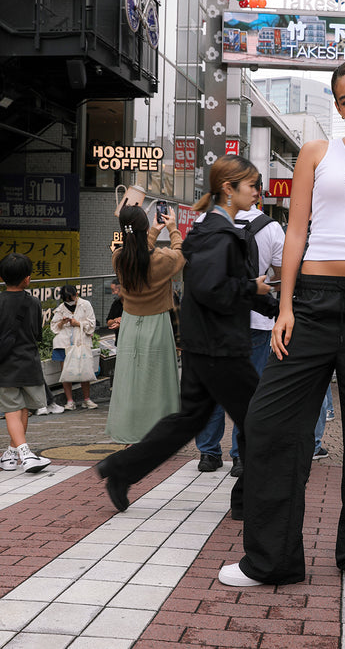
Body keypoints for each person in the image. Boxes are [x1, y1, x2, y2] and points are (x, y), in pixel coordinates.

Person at [218, 58, 345, 588]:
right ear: (338, 107)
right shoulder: (316, 154)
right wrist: (286, 305)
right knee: (268, 424)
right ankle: (271, 561)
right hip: (311, 302)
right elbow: (295, 234)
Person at [96, 155, 277, 517]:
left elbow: (210, 286)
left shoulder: (212, 229)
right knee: (262, 423)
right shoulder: (218, 233)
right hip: (219, 348)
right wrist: (253, 290)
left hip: (206, 343)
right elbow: (212, 289)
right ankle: (248, 501)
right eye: (253, 185)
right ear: (229, 189)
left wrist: (270, 305)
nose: (259, 191)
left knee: (189, 420)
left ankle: (120, 470)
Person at [195, 196, 285, 477]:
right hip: (256, 320)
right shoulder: (271, 228)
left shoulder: (203, 222)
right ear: (258, 193)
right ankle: (241, 457)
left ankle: (208, 454)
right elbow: (280, 278)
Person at [105, 204, 185, 444]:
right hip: (157, 323)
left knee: (129, 380)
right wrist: (172, 229)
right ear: (145, 227)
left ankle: (128, 430)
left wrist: (151, 233)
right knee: (158, 381)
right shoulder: (162, 259)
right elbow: (180, 255)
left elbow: (137, 254)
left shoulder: (118, 258)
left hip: (129, 324)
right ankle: (160, 433)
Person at [0, 253, 51, 472]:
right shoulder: (34, 303)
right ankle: (21, 455)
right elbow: (37, 333)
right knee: (23, 410)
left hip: (5, 364)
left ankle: (16, 453)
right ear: (27, 279)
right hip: (29, 362)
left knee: (12, 410)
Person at [50, 284, 98, 411]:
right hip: (63, 343)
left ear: (76, 294)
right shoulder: (60, 308)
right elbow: (54, 327)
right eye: (66, 299)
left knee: (84, 370)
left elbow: (92, 324)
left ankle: (87, 399)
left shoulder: (85, 304)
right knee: (66, 373)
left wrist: (78, 324)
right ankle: (69, 401)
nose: (68, 301)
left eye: (70, 298)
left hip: (80, 343)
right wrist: (62, 322)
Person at [106, 279, 123, 345]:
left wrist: (122, 322)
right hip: (119, 341)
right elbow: (108, 322)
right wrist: (115, 320)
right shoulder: (116, 303)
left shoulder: (131, 303)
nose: (113, 293)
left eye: (114, 290)